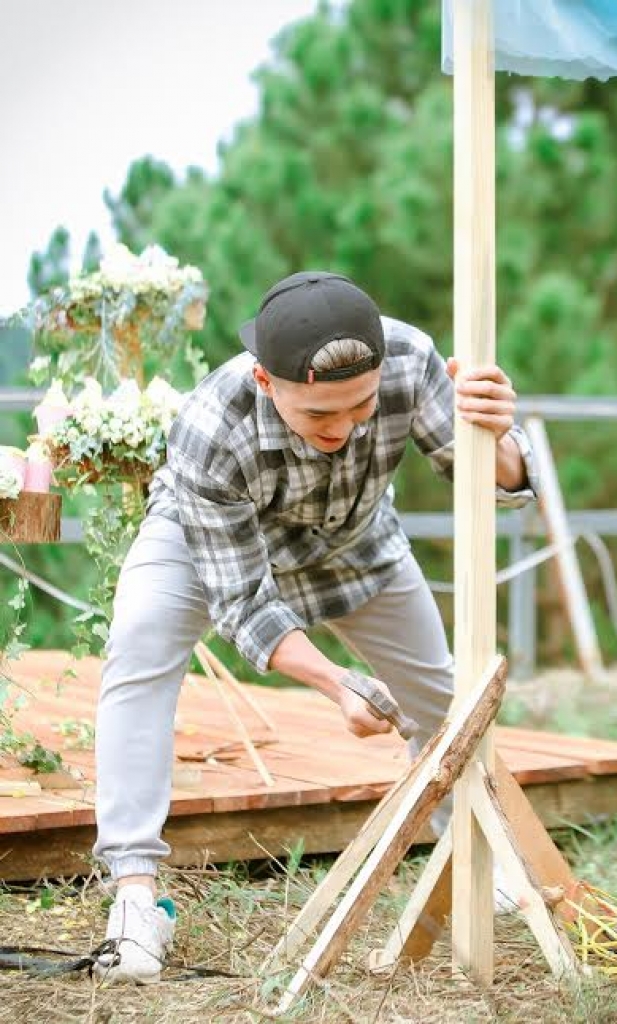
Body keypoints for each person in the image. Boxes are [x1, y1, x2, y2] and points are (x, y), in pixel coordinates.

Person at [94, 270, 538, 983]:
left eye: (361, 407)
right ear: (265, 382)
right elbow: (244, 601)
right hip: (207, 541)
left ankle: (473, 859)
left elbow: (490, 476)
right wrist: (335, 683)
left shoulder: (411, 359)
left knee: (442, 696)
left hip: (352, 540)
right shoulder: (212, 426)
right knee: (139, 646)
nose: (343, 428)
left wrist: (496, 434)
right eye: (319, 415)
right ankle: (135, 898)